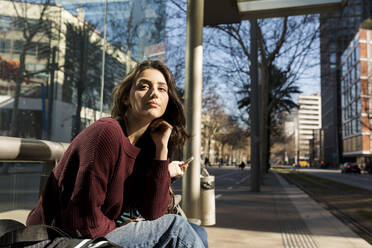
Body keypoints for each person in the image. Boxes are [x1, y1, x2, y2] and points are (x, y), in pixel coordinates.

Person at [26, 60, 207, 248]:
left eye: (162, 89)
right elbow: (83, 220)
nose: (154, 93)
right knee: (176, 229)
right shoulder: (107, 133)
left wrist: (162, 149)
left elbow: (154, 212)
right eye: (144, 86)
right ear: (126, 98)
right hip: (58, 239)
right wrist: (120, 226)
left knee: (198, 232)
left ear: (168, 100)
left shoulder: (149, 145)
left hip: (92, 235)